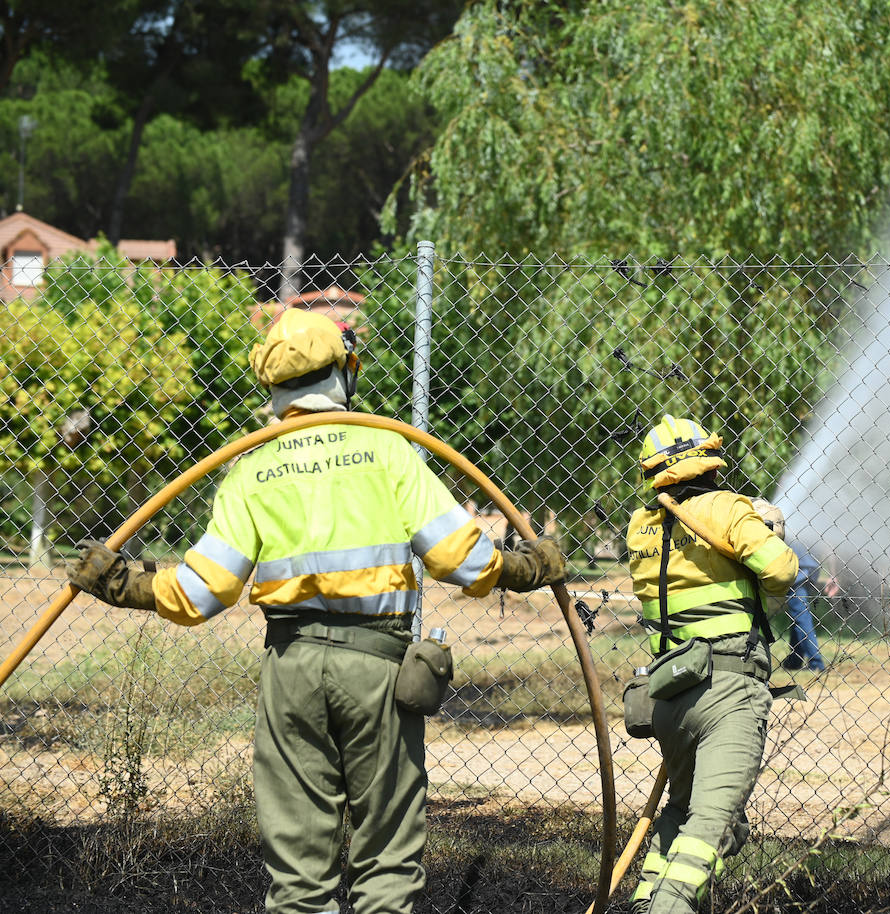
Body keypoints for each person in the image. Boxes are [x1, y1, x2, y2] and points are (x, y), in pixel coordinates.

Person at [66, 309, 566, 914]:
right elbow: (461, 560)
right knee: (386, 857)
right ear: (346, 372)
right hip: (378, 670)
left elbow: (202, 592)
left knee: (299, 879)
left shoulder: (252, 468)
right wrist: (532, 565)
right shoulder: (388, 449)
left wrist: (120, 581)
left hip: (291, 670)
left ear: (271, 388)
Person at [625, 414, 798, 914]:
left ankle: (644, 904)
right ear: (712, 463)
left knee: (677, 814)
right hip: (729, 693)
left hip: (671, 698)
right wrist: (769, 530)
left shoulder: (642, 527)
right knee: (712, 827)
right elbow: (781, 572)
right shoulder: (726, 508)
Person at [782, 544, 826, 672]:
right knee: (798, 613)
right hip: (810, 566)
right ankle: (795, 659)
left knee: (801, 616)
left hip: (796, 566)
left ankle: (816, 662)